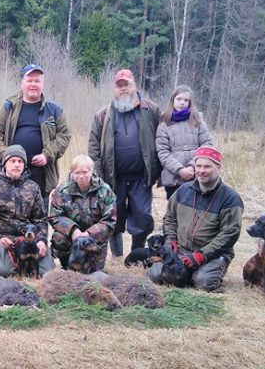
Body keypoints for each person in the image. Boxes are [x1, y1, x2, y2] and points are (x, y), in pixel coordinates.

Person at [88, 68, 161, 257]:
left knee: (143, 218)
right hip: (114, 178)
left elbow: (162, 139)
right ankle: (117, 256)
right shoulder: (102, 114)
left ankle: (136, 253)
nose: (123, 89)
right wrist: (99, 176)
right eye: (119, 85)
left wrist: (159, 172)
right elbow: (93, 147)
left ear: (134, 85)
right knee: (114, 217)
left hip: (141, 177)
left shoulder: (151, 110)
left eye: (126, 84)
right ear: (114, 89)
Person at [148, 146, 243, 292]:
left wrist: (201, 255)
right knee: (155, 275)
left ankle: (207, 271)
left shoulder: (231, 199)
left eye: (207, 166)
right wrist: (171, 241)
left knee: (202, 282)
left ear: (218, 168)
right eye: (198, 166)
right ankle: (185, 273)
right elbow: (169, 218)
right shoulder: (183, 190)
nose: (201, 170)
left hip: (212, 254)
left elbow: (229, 234)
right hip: (182, 250)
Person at [0, 63, 71, 200]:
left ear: (43, 84)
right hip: (11, 173)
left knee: (39, 210)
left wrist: (47, 155)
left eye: (37, 81)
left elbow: (64, 136)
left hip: (41, 172)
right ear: (22, 83)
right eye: (29, 80)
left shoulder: (54, 110)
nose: (33, 84)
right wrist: (7, 157)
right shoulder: (9, 106)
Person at [0, 144, 55, 277]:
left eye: (20, 161)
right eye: (12, 161)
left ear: (24, 165)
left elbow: (40, 220)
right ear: (5, 164)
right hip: (4, 240)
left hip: (29, 239)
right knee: (3, 271)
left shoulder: (33, 187)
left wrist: (41, 240)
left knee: (47, 272)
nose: (16, 165)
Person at [49, 154, 117, 272]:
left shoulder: (105, 191)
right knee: (58, 237)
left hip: (94, 240)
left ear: (92, 171)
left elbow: (110, 221)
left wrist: (89, 233)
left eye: (85, 172)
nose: (81, 176)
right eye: (77, 173)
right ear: (72, 173)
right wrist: (73, 230)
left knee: (94, 274)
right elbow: (55, 216)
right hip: (71, 238)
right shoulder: (62, 191)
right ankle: (67, 265)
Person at [155, 84, 214, 199]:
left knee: (197, 207)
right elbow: (162, 152)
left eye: (186, 100)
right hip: (173, 179)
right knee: (175, 208)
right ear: (173, 100)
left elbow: (206, 145)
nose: (182, 102)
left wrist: (192, 167)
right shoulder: (164, 123)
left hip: (197, 176)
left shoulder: (198, 120)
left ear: (190, 103)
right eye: (179, 99)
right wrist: (180, 170)